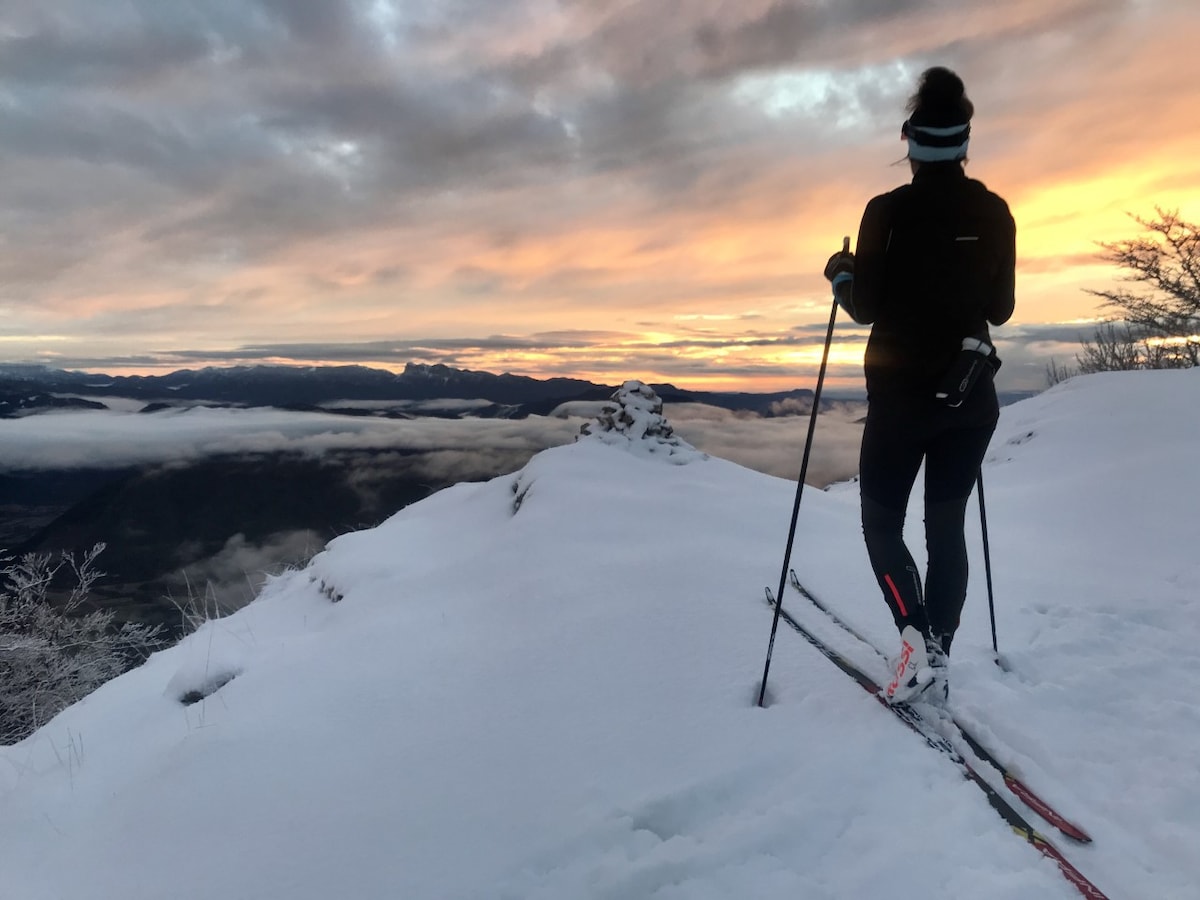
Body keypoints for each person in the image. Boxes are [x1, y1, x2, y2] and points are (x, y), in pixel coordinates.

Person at [822, 67, 1016, 704]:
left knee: (882, 524)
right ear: (964, 141)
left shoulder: (886, 213)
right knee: (947, 529)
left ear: (909, 141)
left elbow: (867, 307)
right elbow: (1002, 308)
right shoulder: (993, 212)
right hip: (969, 398)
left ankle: (914, 638)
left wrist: (843, 275)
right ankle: (937, 652)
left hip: (901, 401)